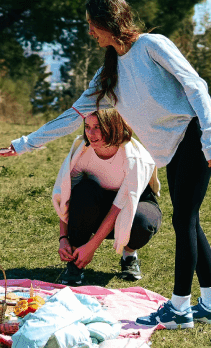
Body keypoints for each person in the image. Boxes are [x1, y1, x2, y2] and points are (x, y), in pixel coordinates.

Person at [7, 0, 211, 329]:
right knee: (189, 222)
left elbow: (195, 85)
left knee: (184, 222)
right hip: (171, 151)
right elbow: (72, 116)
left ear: (108, 22)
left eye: (91, 24)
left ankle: (180, 308)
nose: (89, 32)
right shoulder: (108, 74)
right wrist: (23, 145)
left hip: (192, 137)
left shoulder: (151, 45)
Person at [53, 108, 161, 286]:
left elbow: (118, 206)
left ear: (113, 126)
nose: (91, 133)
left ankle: (129, 254)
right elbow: (65, 195)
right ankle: (76, 258)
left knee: (143, 221)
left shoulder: (133, 158)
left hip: (132, 204)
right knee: (83, 192)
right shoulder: (82, 152)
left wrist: (92, 247)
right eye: (87, 127)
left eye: (98, 127)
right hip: (98, 202)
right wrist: (63, 238)